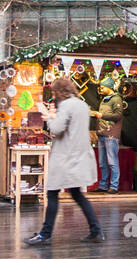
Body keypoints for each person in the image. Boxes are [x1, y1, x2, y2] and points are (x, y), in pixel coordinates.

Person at [25, 77, 103, 245]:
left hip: (65, 156)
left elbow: (56, 129)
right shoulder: (82, 105)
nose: (53, 95)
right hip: (80, 156)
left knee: (52, 192)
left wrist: (49, 116)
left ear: (59, 92)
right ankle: (96, 230)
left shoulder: (66, 106)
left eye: (54, 92)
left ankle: (45, 234)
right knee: (77, 194)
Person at [94, 72, 124, 194]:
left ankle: (114, 186)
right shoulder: (104, 100)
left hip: (111, 135)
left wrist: (102, 115)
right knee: (102, 163)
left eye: (103, 87)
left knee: (112, 161)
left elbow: (118, 115)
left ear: (109, 87)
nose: (101, 89)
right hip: (102, 134)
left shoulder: (116, 99)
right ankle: (103, 185)